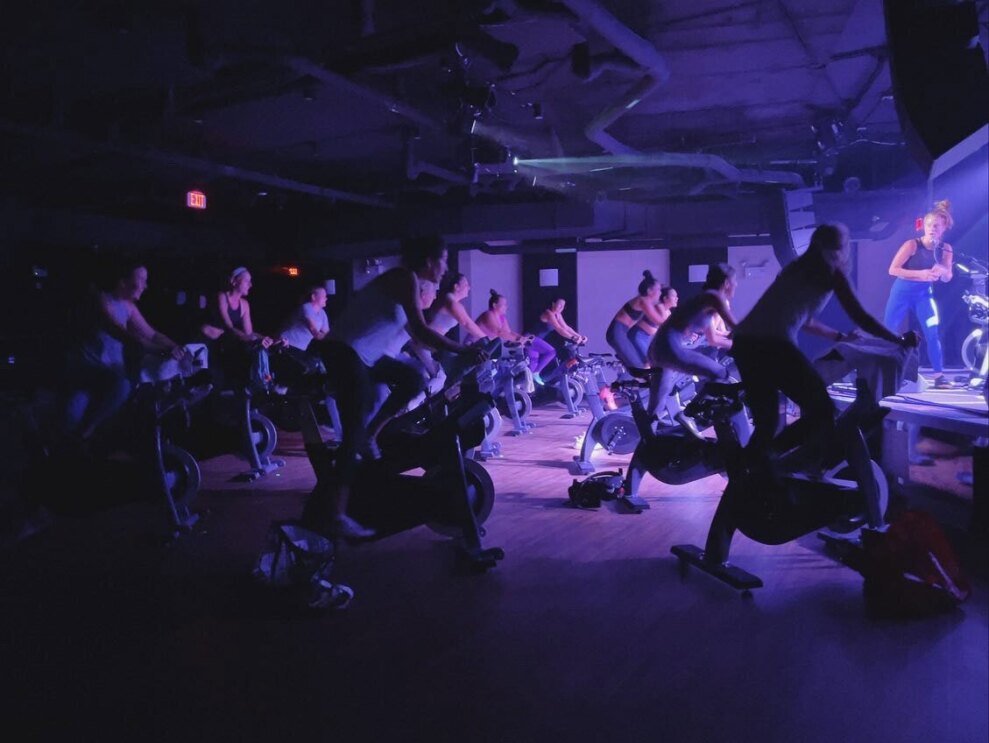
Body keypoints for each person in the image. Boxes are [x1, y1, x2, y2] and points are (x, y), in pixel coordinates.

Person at [307, 236, 486, 539]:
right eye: (443, 260)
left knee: (412, 380)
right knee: (353, 427)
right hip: (343, 352)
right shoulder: (405, 278)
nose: (445, 268)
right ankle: (336, 514)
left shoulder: (410, 284)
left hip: (364, 357)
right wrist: (461, 349)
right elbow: (420, 329)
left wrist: (452, 355)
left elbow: (418, 335)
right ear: (429, 260)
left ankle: (371, 436)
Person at [733, 223, 919, 473]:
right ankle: (772, 463)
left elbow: (805, 319)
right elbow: (861, 316)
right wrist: (897, 339)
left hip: (745, 343)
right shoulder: (830, 269)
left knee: (767, 421)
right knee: (822, 412)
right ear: (841, 248)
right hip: (772, 343)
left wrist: (840, 336)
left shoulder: (796, 268)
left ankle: (749, 472)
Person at [61, 260, 188, 443]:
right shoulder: (101, 301)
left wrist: (178, 348)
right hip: (87, 374)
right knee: (71, 419)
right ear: (123, 281)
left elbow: (152, 334)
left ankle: (87, 436)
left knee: (124, 389)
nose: (146, 286)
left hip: (110, 376)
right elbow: (124, 335)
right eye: (142, 280)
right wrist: (165, 350)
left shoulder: (128, 307)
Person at [645, 265, 738, 429]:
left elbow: (714, 339)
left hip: (657, 348)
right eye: (735, 281)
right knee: (721, 373)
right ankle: (689, 415)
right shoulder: (715, 297)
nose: (736, 285)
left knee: (655, 409)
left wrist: (735, 343)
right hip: (669, 348)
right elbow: (738, 328)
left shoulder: (705, 299)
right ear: (726, 282)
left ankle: (647, 444)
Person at [883, 200, 954, 389]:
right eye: (929, 225)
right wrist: (920, 274)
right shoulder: (912, 245)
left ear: (944, 228)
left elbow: (948, 277)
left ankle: (939, 376)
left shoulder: (945, 249)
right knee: (887, 332)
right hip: (902, 293)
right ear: (924, 226)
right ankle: (881, 371)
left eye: (937, 226)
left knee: (933, 333)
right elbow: (893, 270)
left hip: (924, 296)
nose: (932, 229)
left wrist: (942, 270)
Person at [204, 267, 277, 388]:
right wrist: (255, 340)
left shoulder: (244, 304)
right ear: (234, 281)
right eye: (247, 281)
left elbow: (248, 333)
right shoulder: (221, 296)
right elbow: (228, 327)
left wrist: (271, 340)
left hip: (225, 345)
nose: (250, 284)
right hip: (209, 343)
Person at [605, 270, 666, 368]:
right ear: (649, 290)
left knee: (644, 362)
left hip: (621, 333)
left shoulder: (646, 301)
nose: (660, 292)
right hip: (617, 334)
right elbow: (658, 320)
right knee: (639, 366)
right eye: (658, 289)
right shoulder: (643, 300)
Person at [629, 285, 678, 366]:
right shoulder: (658, 308)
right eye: (674, 296)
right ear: (665, 298)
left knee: (652, 361)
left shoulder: (668, 312)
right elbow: (664, 328)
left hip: (648, 338)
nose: (677, 298)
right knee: (648, 362)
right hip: (638, 336)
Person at [280, 285, 329, 352]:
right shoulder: (306, 307)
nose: (326, 298)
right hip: (286, 343)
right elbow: (314, 330)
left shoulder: (323, 313)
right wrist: (326, 336)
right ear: (313, 297)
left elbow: (327, 333)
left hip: (300, 348)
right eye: (323, 296)